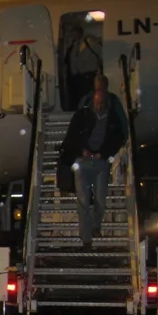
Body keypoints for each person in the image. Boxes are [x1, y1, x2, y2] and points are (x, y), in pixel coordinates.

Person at [59, 74, 126, 249]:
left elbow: (118, 138)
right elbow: (72, 137)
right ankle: (86, 237)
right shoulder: (83, 114)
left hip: (101, 162)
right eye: (97, 103)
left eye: (101, 104)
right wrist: (81, 151)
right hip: (83, 162)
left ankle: (96, 226)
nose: (99, 107)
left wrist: (103, 154)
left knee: (100, 200)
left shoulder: (112, 116)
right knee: (83, 199)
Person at [64, 25, 103, 110]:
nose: (72, 36)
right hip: (78, 76)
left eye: (73, 33)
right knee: (80, 96)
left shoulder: (90, 43)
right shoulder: (74, 46)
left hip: (88, 75)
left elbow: (100, 54)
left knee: (87, 95)